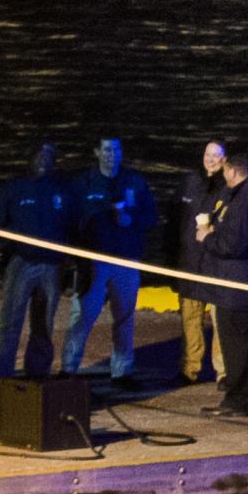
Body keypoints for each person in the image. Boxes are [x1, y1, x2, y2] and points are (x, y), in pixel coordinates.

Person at [0, 143, 76, 384]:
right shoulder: (15, 188)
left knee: (44, 325)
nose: (44, 160)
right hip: (22, 263)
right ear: (29, 159)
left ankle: (38, 374)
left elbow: (75, 228)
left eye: (49, 156)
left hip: (51, 266)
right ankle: (0, 378)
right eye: (39, 155)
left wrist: (73, 266)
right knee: (10, 322)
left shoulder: (62, 190)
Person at [65, 137, 159, 386]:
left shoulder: (134, 181)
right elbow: (70, 219)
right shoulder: (83, 183)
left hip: (126, 260)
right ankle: (68, 367)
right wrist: (76, 257)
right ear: (97, 152)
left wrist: (133, 220)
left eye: (116, 149)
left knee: (125, 317)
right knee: (82, 315)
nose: (111, 155)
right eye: (106, 149)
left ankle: (122, 371)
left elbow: (151, 216)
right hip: (93, 262)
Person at [197, 141, 248, 417]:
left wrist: (208, 237)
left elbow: (234, 244)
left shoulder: (245, 199)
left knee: (237, 345)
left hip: (237, 284)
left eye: (226, 172)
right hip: (246, 282)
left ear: (233, 172)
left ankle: (239, 399)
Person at [173, 140, 229, 384]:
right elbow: (174, 221)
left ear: (225, 159)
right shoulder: (190, 182)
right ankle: (189, 368)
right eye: (208, 154)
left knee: (220, 321)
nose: (211, 159)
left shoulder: (229, 186)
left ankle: (223, 371)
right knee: (190, 319)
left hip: (215, 264)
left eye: (217, 154)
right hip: (190, 262)